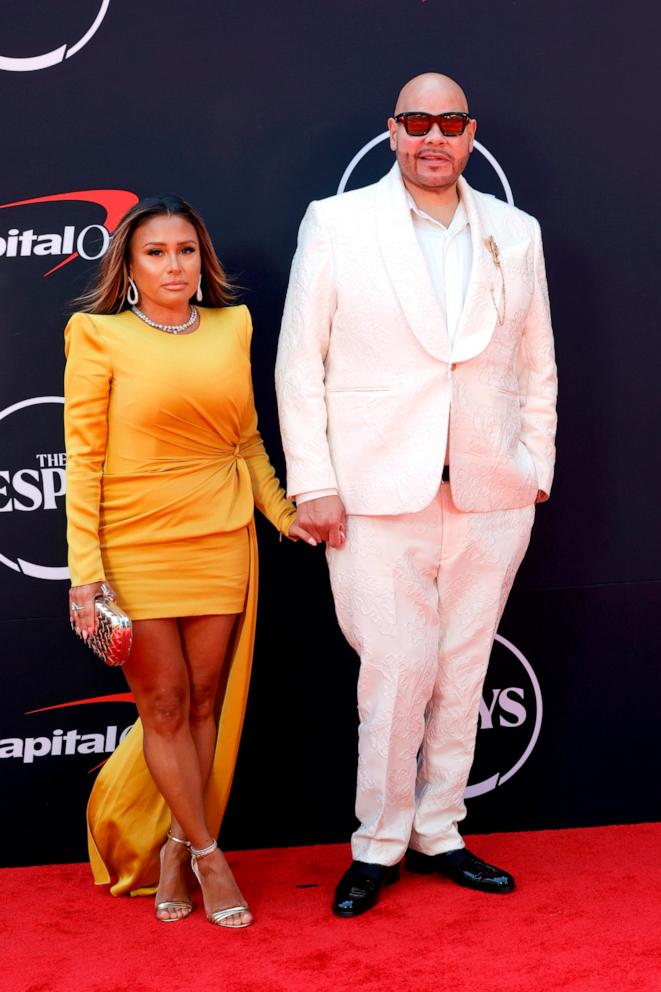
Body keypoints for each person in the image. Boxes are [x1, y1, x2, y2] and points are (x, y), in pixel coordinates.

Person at [275, 72, 557, 917]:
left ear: (470, 134)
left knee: (463, 671)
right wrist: (315, 482)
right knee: (394, 675)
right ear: (392, 131)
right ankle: (378, 842)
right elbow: (300, 361)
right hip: (371, 494)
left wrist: (531, 463)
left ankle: (440, 829)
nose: (433, 136)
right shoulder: (337, 223)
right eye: (416, 121)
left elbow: (535, 363)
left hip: (488, 494)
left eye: (450, 122)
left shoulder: (516, 232)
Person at [65, 194, 313, 928]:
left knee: (204, 700)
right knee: (165, 703)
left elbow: (244, 440)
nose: (174, 265)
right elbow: (83, 461)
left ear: (201, 258)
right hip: (134, 540)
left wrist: (284, 516)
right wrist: (87, 573)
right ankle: (209, 853)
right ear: (130, 268)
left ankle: (176, 843)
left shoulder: (231, 325)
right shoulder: (96, 334)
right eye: (155, 253)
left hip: (218, 534)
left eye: (184, 250)